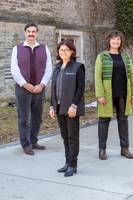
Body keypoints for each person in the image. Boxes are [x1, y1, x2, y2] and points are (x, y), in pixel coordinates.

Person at [94, 30, 133, 160]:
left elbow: (131, 75)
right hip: (107, 94)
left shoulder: (125, 56)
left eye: (118, 39)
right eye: (113, 39)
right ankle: (102, 149)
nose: (116, 41)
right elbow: (97, 76)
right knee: (104, 121)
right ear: (109, 40)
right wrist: (100, 94)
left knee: (123, 121)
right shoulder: (102, 56)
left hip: (123, 93)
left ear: (120, 42)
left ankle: (125, 148)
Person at [11, 23, 52, 155]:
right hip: (23, 89)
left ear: (37, 33)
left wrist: (42, 84)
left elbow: (49, 69)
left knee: (37, 117)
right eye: (28, 31)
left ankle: (33, 141)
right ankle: (26, 144)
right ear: (25, 33)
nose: (31, 34)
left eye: (33, 31)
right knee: (23, 117)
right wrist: (25, 84)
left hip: (39, 88)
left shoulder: (44, 49)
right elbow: (14, 70)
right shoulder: (17, 49)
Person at [49, 40, 85, 177]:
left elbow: (81, 88)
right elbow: (53, 88)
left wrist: (74, 106)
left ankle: (73, 165)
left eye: (66, 50)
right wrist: (52, 105)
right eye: (61, 50)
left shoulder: (77, 67)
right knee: (65, 136)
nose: (63, 52)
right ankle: (67, 162)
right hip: (59, 106)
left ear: (72, 52)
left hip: (71, 107)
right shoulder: (57, 67)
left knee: (72, 136)